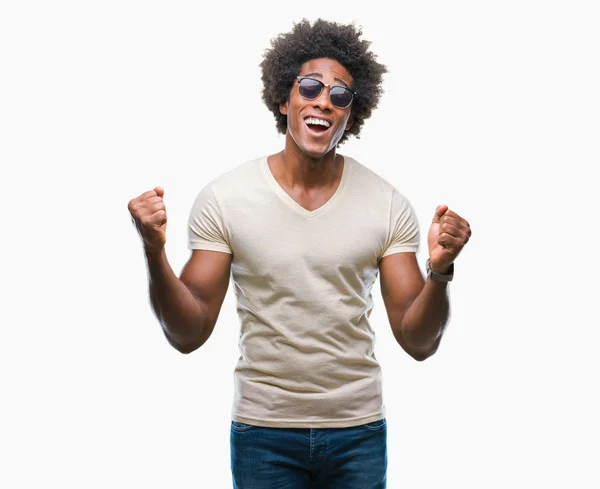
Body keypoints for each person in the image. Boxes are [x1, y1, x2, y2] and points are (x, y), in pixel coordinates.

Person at [128, 18, 471, 489]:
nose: (323, 100)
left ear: (353, 113)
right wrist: (153, 251)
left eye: (341, 95)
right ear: (283, 98)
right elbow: (188, 332)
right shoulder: (227, 198)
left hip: (359, 431)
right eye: (309, 86)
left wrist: (441, 271)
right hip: (263, 433)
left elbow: (418, 341)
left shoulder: (386, 204)